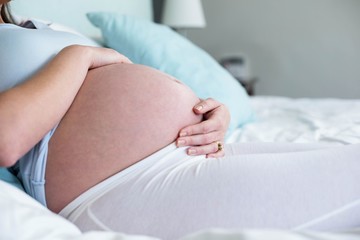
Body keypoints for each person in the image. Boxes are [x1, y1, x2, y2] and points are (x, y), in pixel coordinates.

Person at [1, 1, 360, 240]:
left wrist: (214, 115)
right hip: (127, 187)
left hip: (183, 156)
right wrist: (78, 56)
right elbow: (7, 138)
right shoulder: (72, 50)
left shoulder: (37, 28)